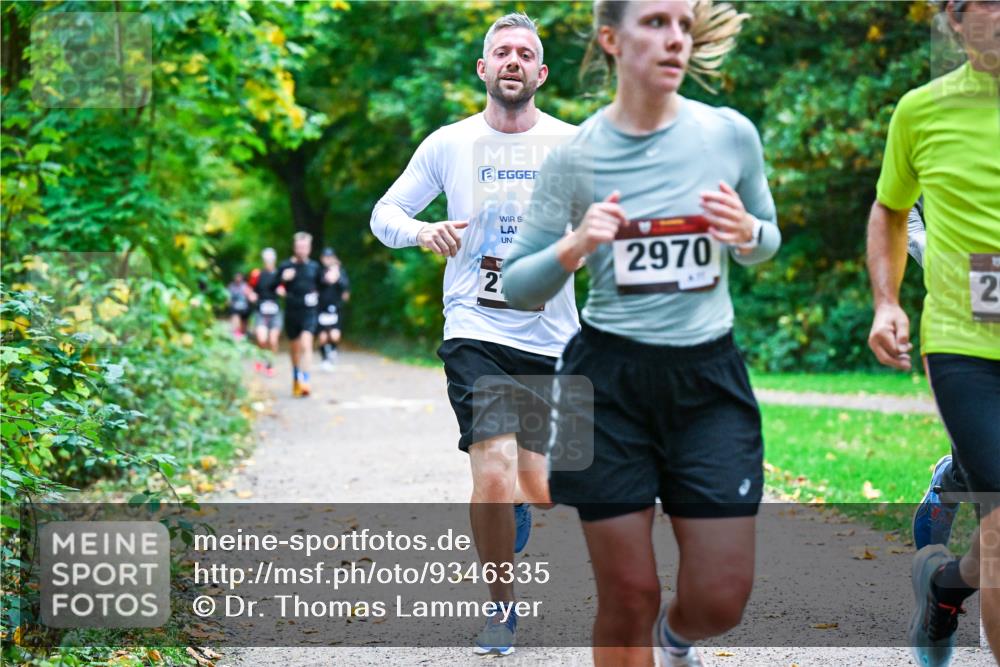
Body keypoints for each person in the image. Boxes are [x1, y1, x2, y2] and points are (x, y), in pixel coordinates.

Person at [502, 2, 778, 665]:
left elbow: (765, 240)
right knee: (628, 594)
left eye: (683, 25)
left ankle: (677, 639)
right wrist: (574, 246)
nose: (676, 38)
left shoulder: (730, 135)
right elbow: (517, 284)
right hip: (606, 379)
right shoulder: (574, 155)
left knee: (720, 598)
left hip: (707, 377)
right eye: (656, 22)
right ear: (610, 39)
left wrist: (747, 234)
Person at [370, 12, 578, 656]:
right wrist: (422, 231)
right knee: (491, 465)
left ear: (541, 73)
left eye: (525, 53)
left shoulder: (574, 145)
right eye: (501, 52)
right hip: (474, 328)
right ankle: (501, 610)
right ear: (483, 69)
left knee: (541, 490)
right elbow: (385, 214)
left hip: (552, 335)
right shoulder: (448, 144)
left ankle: (519, 498)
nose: (512, 60)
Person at [865, 1, 999, 664]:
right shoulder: (923, 110)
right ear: (953, 18)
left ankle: (944, 588)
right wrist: (887, 300)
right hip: (965, 343)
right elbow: (891, 209)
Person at [278, 232, 329, 398]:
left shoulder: (314, 267)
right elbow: (272, 286)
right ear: (294, 247)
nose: (302, 249)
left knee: (307, 345)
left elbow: (322, 285)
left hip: (309, 311)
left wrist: (329, 280)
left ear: (309, 248)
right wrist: (283, 281)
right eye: (299, 246)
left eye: (305, 246)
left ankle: (305, 380)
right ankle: (295, 375)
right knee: (295, 349)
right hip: (292, 312)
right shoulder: (285, 266)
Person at [249, 247, 283, 377]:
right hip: (261, 310)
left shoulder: (279, 275)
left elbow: (284, 287)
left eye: (271, 259)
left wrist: (282, 291)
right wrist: (251, 295)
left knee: (273, 340)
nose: (268, 262)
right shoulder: (257, 274)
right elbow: (250, 289)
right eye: (266, 260)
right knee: (262, 339)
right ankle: (259, 358)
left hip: (275, 310)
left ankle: (270, 364)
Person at [316, 247, 351, 372]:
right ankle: (324, 359)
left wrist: (337, 275)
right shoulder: (319, 271)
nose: (327, 260)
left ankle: (333, 350)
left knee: (334, 336)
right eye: (325, 257)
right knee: (323, 337)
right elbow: (320, 283)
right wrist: (329, 276)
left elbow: (345, 288)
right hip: (321, 309)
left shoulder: (341, 272)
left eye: (330, 257)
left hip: (336, 309)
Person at [226, 272, 252, 340]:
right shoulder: (231, 286)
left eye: (239, 277)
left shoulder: (246, 286)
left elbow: (250, 296)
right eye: (236, 277)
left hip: (244, 308)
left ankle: (244, 335)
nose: (238, 279)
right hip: (235, 308)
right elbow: (228, 298)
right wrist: (229, 303)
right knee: (235, 319)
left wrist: (248, 295)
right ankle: (235, 335)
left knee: (244, 325)